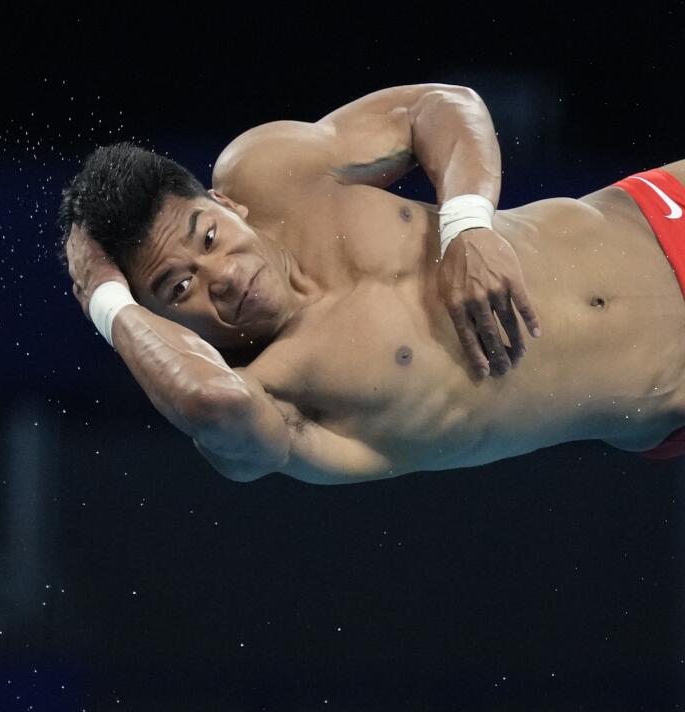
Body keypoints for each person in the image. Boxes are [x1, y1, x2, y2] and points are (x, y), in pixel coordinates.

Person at [59, 83, 685, 484]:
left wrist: (467, 224)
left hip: (664, 208)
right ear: (162, 321)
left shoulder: (272, 173)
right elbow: (208, 405)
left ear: (227, 204)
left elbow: (437, 105)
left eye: (209, 237)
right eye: (178, 288)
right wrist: (103, 300)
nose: (222, 277)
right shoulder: (269, 396)